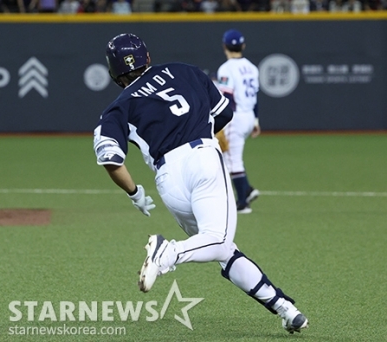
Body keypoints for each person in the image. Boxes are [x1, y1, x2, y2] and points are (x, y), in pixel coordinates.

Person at [93, 33, 308, 334]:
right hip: (202, 159)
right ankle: (167, 254)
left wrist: (135, 193)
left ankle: (285, 308)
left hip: (167, 181)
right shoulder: (185, 70)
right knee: (217, 242)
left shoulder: (117, 107)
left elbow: (111, 160)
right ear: (148, 58)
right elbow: (225, 114)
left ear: (114, 73)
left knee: (223, 250)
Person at [216, 29, 260, 214]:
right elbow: (256, 95)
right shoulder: (251, 67)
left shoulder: (226, 68)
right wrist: (256, 120)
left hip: (236, 116)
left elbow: (227, 97)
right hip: (249, 115)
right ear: (243, 46)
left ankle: (243, 203)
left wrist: (222, 122)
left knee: (232, 161)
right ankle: (247, 190)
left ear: (224, 46)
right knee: (232, 158)